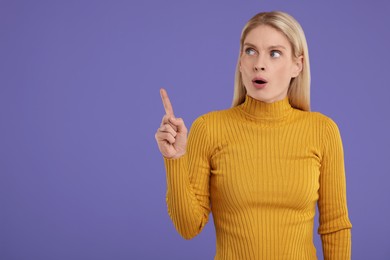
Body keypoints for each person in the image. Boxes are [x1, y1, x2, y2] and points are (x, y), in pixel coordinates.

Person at [155, 11, 352, 260]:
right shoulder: (208, 128)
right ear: (240, 62)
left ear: (297, 65)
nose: (259, 63)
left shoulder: (323, 131)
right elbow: (188, 227)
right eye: (250, 51)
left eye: (274, 53)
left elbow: (335, 226)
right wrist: (175, 158)